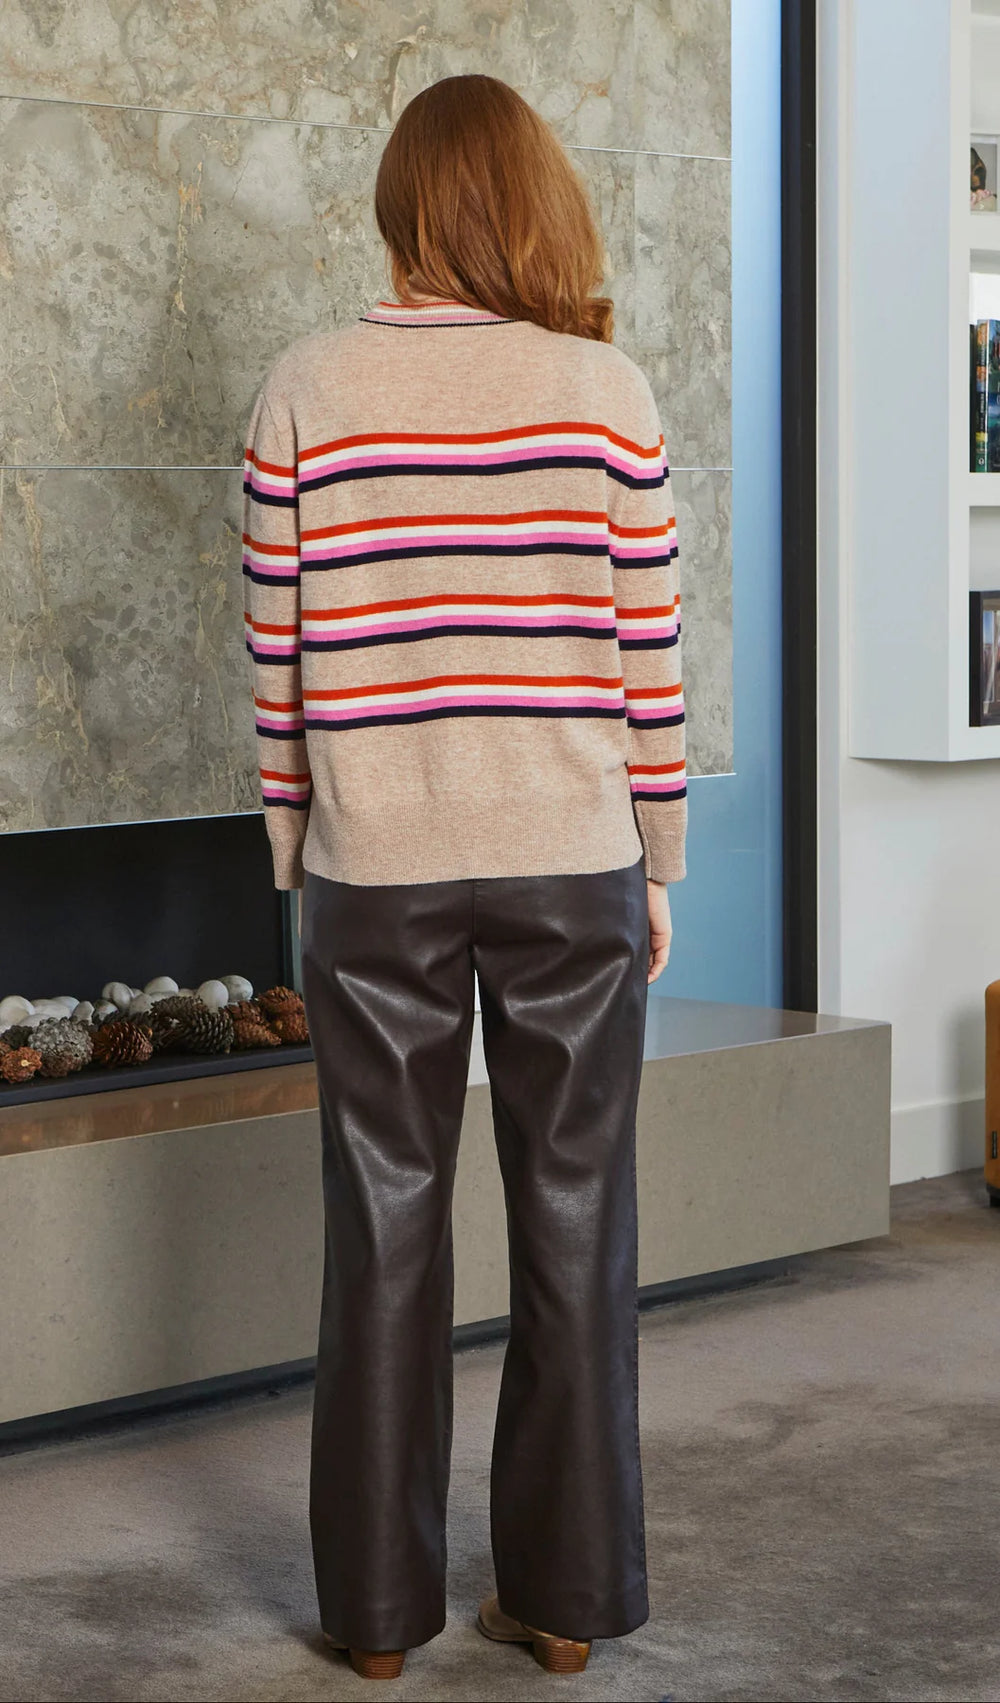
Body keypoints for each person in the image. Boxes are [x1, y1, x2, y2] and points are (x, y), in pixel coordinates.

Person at [241, 71, 686, 1682]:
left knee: (381, 1232)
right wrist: (658, 859)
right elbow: (650, 661)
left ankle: (374, 1625)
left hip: (377, 868)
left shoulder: (306, 388)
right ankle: (564, 1608)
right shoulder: (605, 392)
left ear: (403, 208)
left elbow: (276, 661)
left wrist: (298, 850)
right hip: (572, 861)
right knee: (579, 1225)